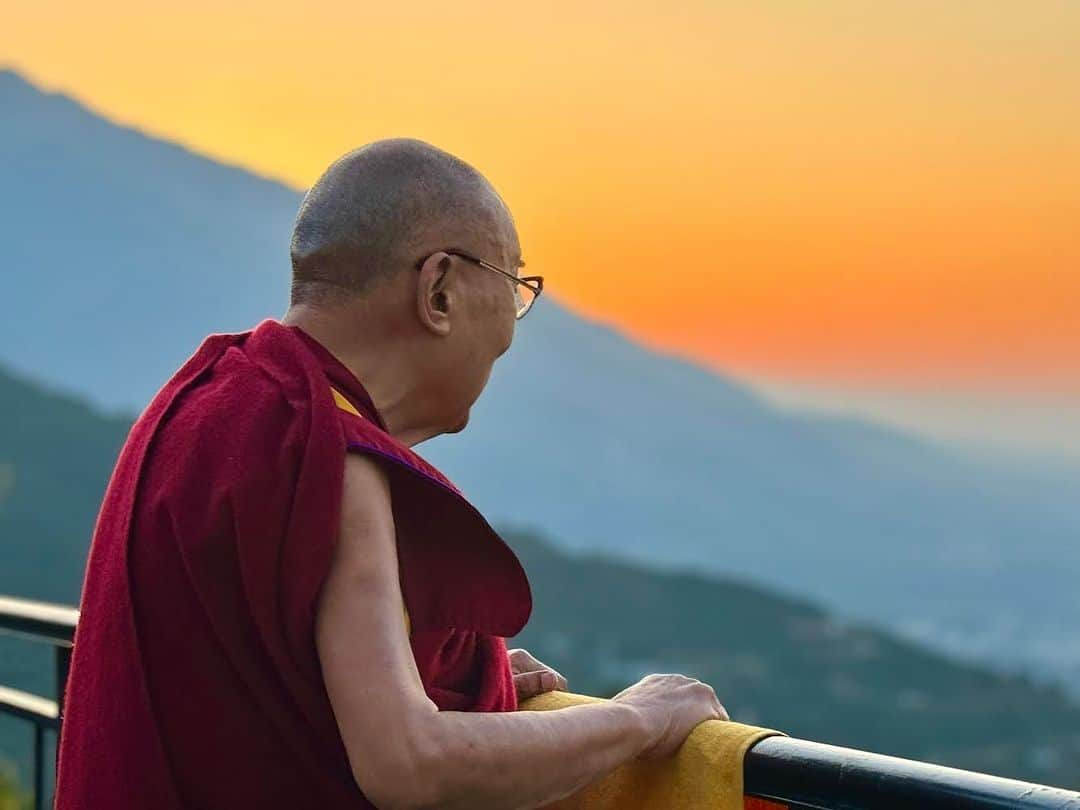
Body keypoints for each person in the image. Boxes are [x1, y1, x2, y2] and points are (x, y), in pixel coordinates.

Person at [54, 138, 727, 809]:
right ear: (439, 290)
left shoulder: (200, 401)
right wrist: (640, 719)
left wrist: (458, 679)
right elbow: (406, 763)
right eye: (515, 283)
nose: (513, 327)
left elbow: (250, 671)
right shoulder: (335, 461)